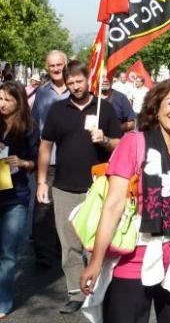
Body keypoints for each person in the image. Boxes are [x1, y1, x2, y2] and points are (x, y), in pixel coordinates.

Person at [81, 77, 170, 323]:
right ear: (156, 106)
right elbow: (112, 206)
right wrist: (95, 261)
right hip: (134, 259)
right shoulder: (134, 142)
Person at [36, 60, 122, 314]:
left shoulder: (104, 108)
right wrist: (42, 181)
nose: (75, 86)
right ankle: (76, 293)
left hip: (98, 188)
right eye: (70, 82)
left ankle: (103, 290)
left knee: (101, 244)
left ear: (88, 80)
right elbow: (45, 146)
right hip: (63, 187)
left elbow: (120, 145)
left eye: (79, 81)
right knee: (70, 245)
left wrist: (104, 139)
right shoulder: (57, 110)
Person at [0, 81, 40, 318]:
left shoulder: (29, 127)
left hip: (16, 198)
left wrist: (22, 162)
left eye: (7, 99)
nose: (2, 103)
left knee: (7, 252)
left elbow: (36, 161)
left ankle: (3, 300)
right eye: (0, 98)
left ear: (19, 101)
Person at [31, 50, 69, 268]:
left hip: (71, 159)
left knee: (66, 208)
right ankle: (43, 254)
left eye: (59, 65)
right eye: (52, 66)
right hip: (48, 158)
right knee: (43, 206)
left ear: (65, 64)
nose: (56, 69)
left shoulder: (77, 90)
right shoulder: (42, 93)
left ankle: (61, 249)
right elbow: (35, 124)